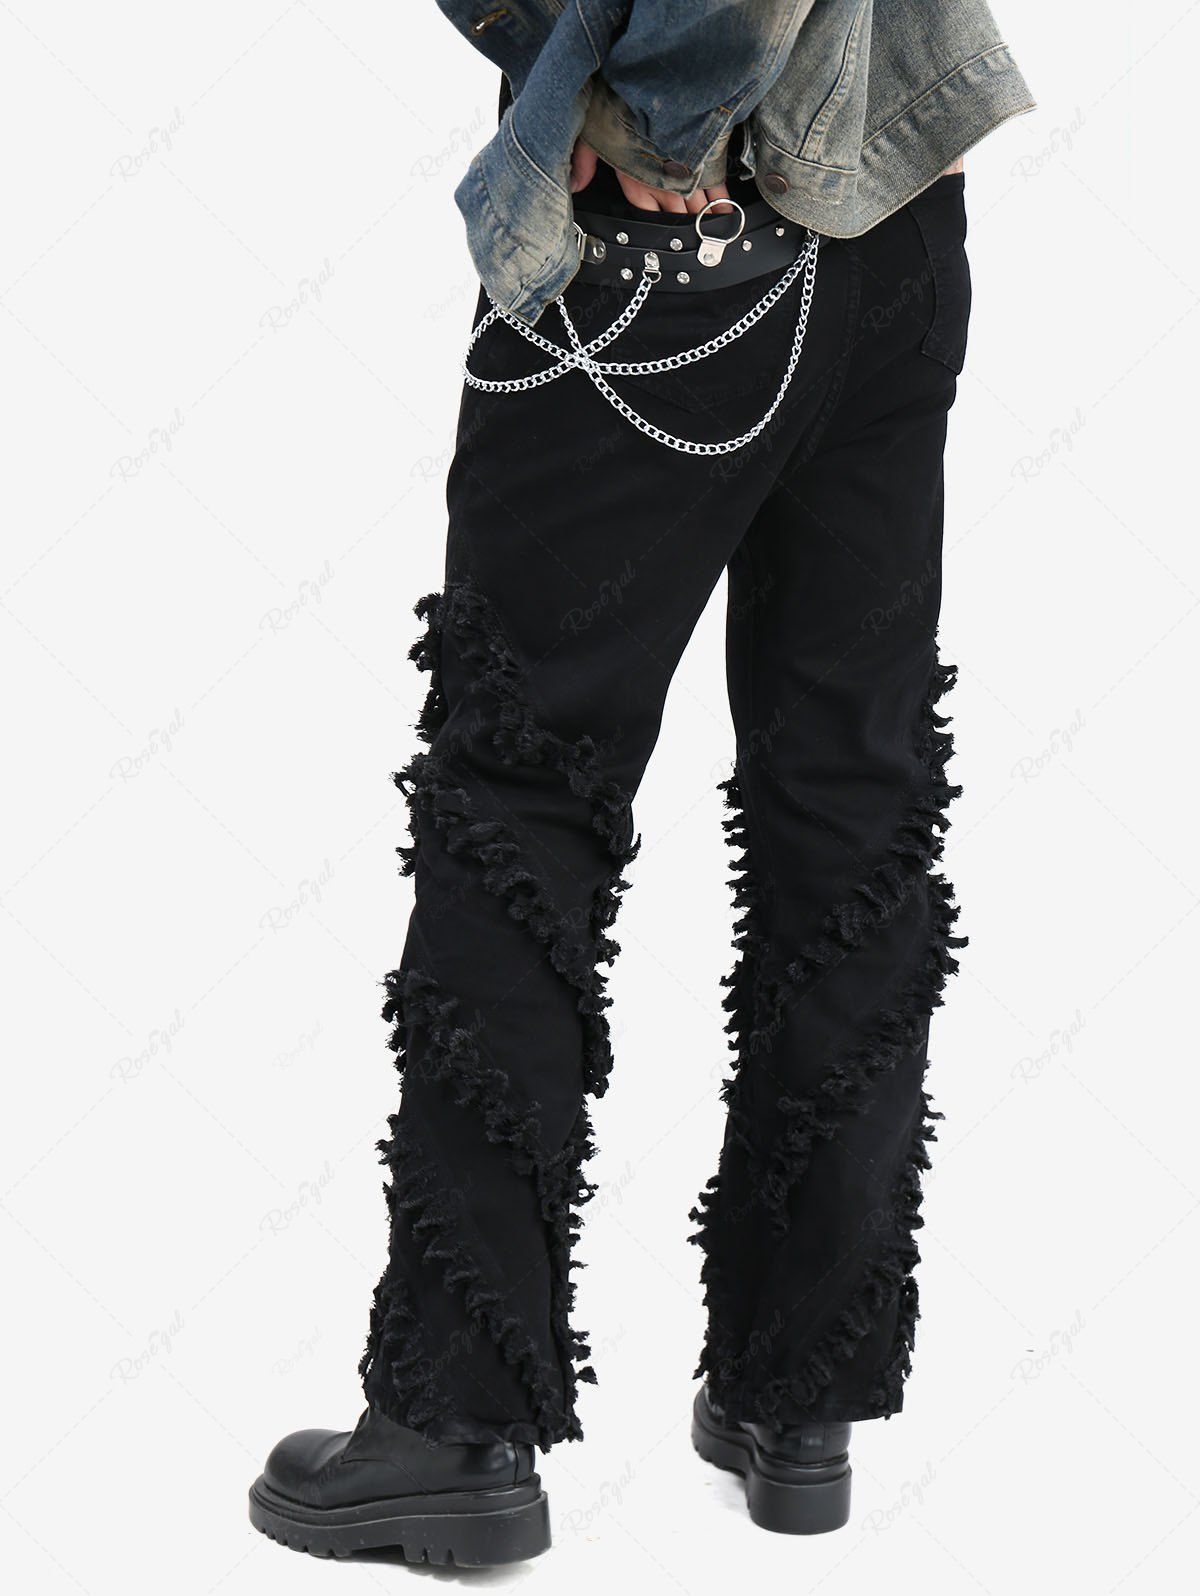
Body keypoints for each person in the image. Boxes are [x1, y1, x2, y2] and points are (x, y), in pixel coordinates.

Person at [247, 0, 1034, 1566]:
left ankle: (456, 1421)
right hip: (892, 234)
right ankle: (801, 1387)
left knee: (521, 801)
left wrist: (669, 112)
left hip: (674, 242)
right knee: (852, 796)